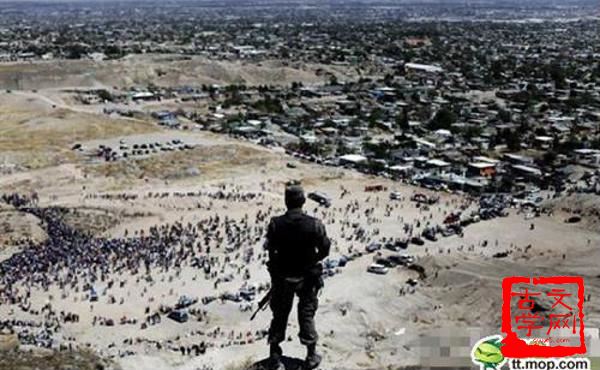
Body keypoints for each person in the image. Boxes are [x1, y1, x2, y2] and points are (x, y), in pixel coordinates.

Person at [264, 183, 331, 370]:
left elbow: (271, 251)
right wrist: (311, 262)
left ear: (286, 202)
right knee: (306, 313)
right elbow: (325, 249)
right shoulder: (315, 224)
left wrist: (279, 269)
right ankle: (310, 356)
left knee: (279, 315)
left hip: (283, 277)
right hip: (307, 277)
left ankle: (275, 357)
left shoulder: (276, 223)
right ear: (303, 201)